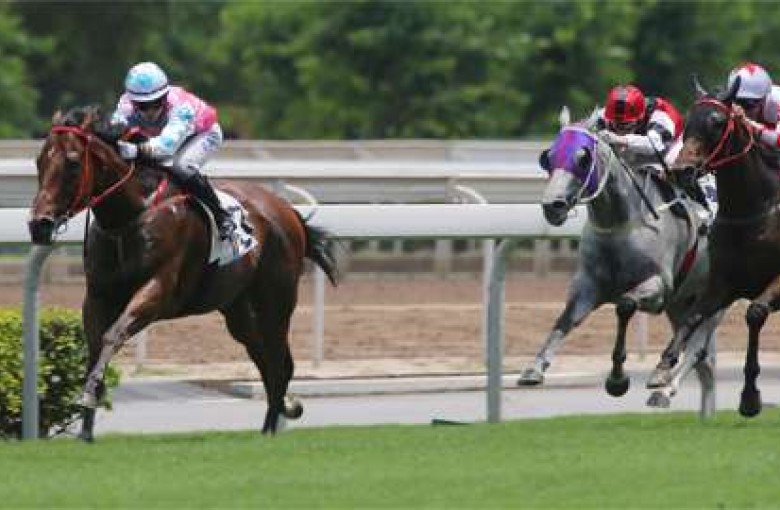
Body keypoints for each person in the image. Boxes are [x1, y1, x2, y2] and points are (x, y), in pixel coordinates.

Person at [111, 61, 235, 240]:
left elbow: (165, 148)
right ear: (133, 102)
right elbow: (113, 132)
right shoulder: (125, 105)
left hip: (203, 134)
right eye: (144, 105)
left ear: (165, 95)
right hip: (162, 136)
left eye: (157, 102)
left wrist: (136, 151)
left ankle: (221, 216)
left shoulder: (180, 107)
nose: (151, 110)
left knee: (182, 166)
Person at [728, 62, 780, 150]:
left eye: (748, 104)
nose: (742, 109)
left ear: (764, 98)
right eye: (737, 102)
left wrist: (747, 122)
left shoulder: (776, 100)